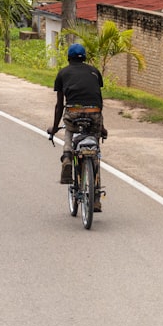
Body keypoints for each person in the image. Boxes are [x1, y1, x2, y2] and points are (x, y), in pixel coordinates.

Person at [48, 43, 107, 208]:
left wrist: (53, 128)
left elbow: (60, 105)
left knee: (69, 129)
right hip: (95, 112)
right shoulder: (94, 72)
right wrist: (101, 127)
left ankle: (67, 155)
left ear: (69, 58)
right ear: (85, 58)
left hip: (73, 112)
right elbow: (98, 100)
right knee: (94, 153)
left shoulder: (63, 73)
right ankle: (95, 199)